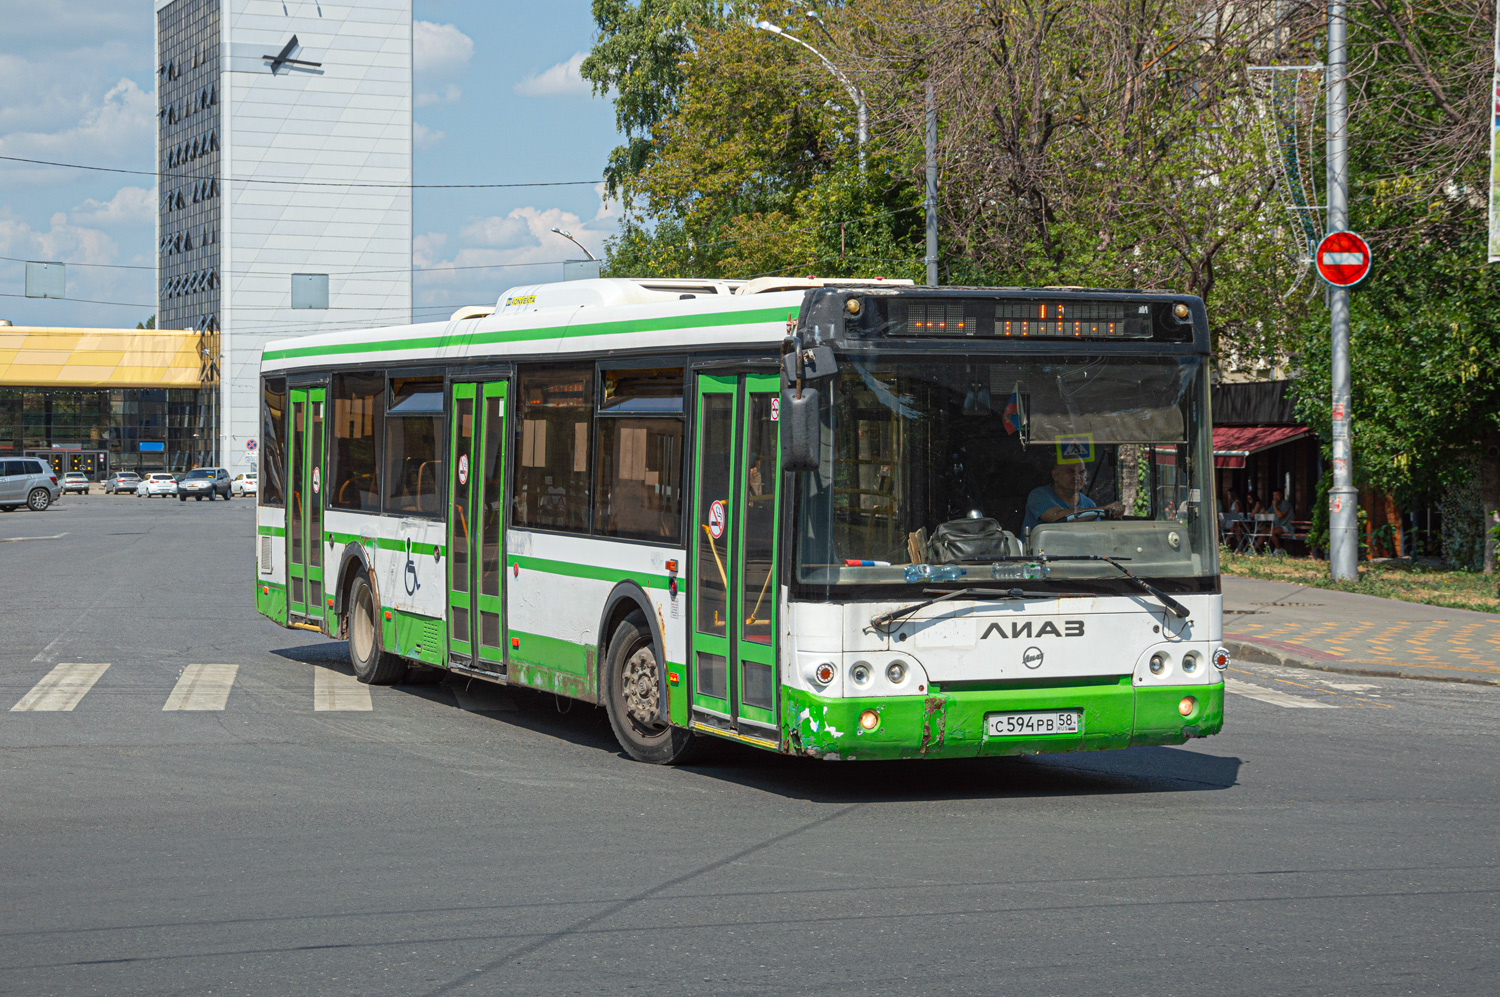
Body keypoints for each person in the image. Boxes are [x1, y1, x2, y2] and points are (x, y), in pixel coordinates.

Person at [1023, 459, 1123, 532]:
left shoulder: (1089, 503)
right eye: (1070, 472)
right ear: (1055, 475)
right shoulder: (1039, 495)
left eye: (1081, 473)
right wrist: (1102, 509)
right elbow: (1056, 516)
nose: (1077, 477)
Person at [1269, 488, 1295, 553]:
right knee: (1263, 531)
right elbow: (1267, 512)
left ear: (1281, 495)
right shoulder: (1274, 505)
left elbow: (1280, 515)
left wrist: (1275, 505)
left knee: (1271, 532)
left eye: (1277, 495)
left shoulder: (1285, 504)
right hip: (1278, 526)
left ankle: (1279, 549)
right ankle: (1253, 549)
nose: (1275, 498)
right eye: (1274, 496)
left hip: (1287, 526)